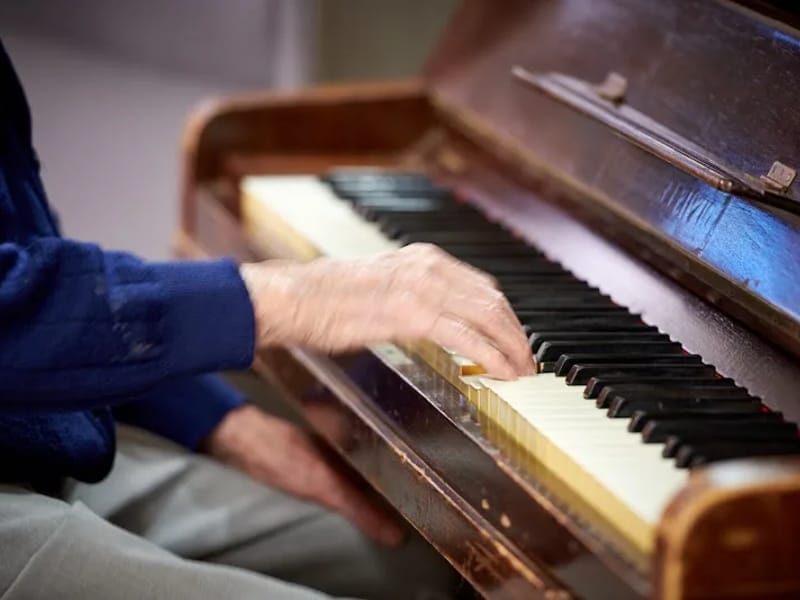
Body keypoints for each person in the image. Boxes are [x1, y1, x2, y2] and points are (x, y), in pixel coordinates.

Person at [0, 37, 532, 600]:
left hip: (37, 431)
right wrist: (295, 298)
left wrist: (213, 418)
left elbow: (29, 250)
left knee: (427, 564)